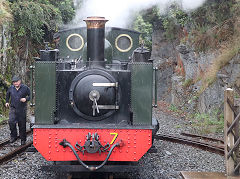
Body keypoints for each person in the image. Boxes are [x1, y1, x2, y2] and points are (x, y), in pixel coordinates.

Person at [5, 76, 30, 145]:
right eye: (14, 82)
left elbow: (31, 96)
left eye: (16, 82)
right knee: (11, 122)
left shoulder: (25, 88)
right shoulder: (11, 88)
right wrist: (7, 102)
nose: (15, 83)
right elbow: (7, 95)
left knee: (22, 124)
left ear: (20, 81)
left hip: (22, 108)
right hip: (13, 108)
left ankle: (23, 139)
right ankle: (14, 136)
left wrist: (26, 99)